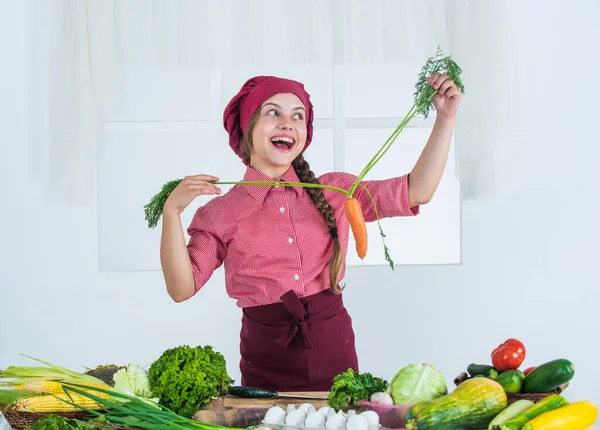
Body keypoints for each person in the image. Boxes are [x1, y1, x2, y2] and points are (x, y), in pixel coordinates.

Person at [159, 74, 462, 391]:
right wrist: (172, 212)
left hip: (335, 351)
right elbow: (182, 288)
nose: (288, 123)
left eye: (297, 115)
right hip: (266, 362)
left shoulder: (336, 191)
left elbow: (416, 191)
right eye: (273, 112)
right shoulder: (221, 213)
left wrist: (445, 118)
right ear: (247, 127)